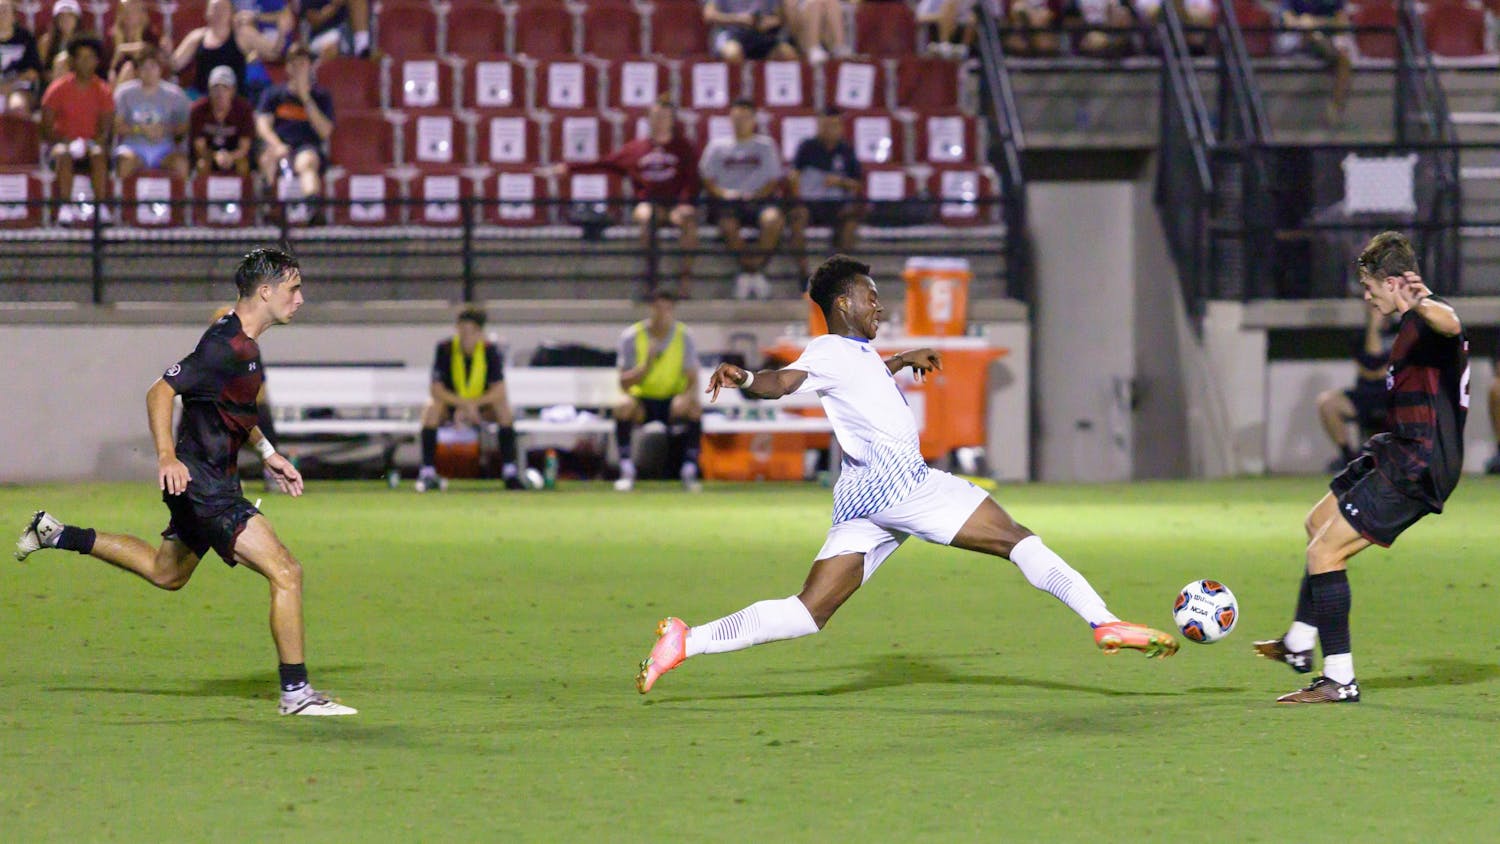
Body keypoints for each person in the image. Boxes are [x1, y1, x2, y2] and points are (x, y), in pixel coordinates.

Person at [635, 254, 1178, 694]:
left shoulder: (856, 353)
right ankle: (1102, 620)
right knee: (1016, 539)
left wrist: (899, 360)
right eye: (872, 297)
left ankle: (687, 640)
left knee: (807, 612)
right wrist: (748, 375)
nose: (881, 306)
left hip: (859, 497)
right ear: (843, 302)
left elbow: (859, 377)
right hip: (902, 485)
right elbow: (784, 381)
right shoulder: (828, 349)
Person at [15, 247, 356, 717]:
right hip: (204, 487)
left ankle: (56, 533)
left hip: (207, 484)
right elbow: (160, 390)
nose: (300, 298)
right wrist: (165, 456)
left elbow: (230, 410)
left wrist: (268, 452)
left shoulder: (244, 347)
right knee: (286, 572)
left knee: (166, 572)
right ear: (266, 291)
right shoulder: (225, 346)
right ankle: (296, 694)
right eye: (294, 288)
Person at [1254, 232, 1469, 704]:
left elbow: (1451, 322)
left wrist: (1421, 302)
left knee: (1325, 554)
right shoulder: (1409, 323)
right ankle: (1297, 643)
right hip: (1396, 447)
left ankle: (1339, 679)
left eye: (1371, 288)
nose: (1368, 298)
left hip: (1419, 463)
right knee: (1316, 523)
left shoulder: (1427, 319)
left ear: (1394, 282)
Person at [541, 97, 701, 298]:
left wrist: (684, 204)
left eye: (664, 117)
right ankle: (651, 281)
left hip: (677, 205)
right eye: (655, 117)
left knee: (689, 223)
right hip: (649, 203)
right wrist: (569, 168)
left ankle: (684, 283)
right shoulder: (635, 149)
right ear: (649, 120)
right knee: (646, 217)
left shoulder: (684, 147)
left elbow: (692, 180)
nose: (659, 121)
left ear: (672, 121)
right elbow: (604, 163)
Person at [415, 306, 525, 493]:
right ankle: (427, 472)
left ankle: (510, 471)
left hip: (481, 406)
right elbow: (436, 390)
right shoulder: (445, 349)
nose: (466, 336)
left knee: (504, 408)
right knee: (432, 408)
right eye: (462, 330)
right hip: (452, 405)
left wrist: (474, 405)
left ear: (480, 333)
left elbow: (499, 391)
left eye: (471, 331)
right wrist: (463, 405)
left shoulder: (490, 351)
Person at [614, 290, 704, 493]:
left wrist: (686, 396)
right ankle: (626, 469)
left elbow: (692, 376)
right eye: (658, 308)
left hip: (671, 401)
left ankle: (689, 469)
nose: (663, 314)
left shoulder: (683, 336)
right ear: (651, 309)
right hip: (643, 400)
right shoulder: (632, 336)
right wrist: (646, 364)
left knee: (694, 408)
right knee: (622, 407)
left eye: (668, 309)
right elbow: (623, 382)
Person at [699, 97, 785, 300]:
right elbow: (707, 179)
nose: (740, 122)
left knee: (773, 220)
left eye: (745, 117)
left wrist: (756, 195)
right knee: (728, 225)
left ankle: (750, 272)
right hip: (727, 202)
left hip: (759, 200)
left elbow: (773, 180)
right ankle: (753, 272)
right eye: (736, 117)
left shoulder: (766, 146)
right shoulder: (717, 146)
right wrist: (724, 194)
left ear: (754, 119)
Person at [39, 34, 112, 225]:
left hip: (90, 145)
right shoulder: (58, 89)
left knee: (98, 154)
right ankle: (65, 207)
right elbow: (46, 129)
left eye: (90, 57)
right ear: (72, 61)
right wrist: (66, 143)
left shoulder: (103, 90)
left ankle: (100, 207)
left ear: (97, 61)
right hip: (61, 146)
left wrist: (89, 144)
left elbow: (104, 131)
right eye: (80, 57)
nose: (85, 62)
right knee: (63, 154)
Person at [254, 43, 332, 216]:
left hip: (306, 146)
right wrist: (277, 145)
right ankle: (267, 204)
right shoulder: (273, 94)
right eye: (295, 63)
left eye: (303, 64)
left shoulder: (321, 96)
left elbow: (325, 131)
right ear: (288, 67)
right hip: (279, 145)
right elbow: (262, 125)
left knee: (307, 162)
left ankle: (312, 209)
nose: (299, 68)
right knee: (268, 157)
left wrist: (306, 99)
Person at [788, 107, 864, 284]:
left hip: (836, 205)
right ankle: (804, 273)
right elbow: (794, 176)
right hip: (810, 203)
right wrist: (800, 196)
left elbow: (857, 184)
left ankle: (837, 275)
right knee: (797, 216)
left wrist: (839, 182)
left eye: (834, 125)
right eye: (825, 125)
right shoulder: (807, 147)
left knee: (851, 220)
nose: (829, 129)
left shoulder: (846, 150)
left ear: (841, 128)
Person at [1315, 304, 1392, 472]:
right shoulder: (1360, 338)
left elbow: (1382, 371)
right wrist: (1373, 328)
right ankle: (1348, 457)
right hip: (1364, 396)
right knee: (1327, 403)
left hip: (1393, 398)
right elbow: (1372, 366)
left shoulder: (1401, 334)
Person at [172, 0, 283, 100]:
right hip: (203, 98)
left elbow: (274, 53)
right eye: (215, 8)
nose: (219, 13)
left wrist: (282, 33)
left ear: (231, 13)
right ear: (207, 13)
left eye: (223, 9)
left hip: (233, 100)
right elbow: (174, 64)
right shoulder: (197, 37)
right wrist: (165, 51)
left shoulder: (243, 35)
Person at [112, 45, 191, 180]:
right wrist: (139, 129)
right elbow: (117, 125)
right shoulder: (124, 93)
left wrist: (165, 130)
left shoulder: (175, 94)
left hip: (165, 148)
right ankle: (120, 199)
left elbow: (184, 126)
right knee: (125, 163)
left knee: (181, 164)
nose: (149, 72)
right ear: (137, 71)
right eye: (144, 67)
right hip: (133, 146)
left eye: (153, 67)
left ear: (160, 69)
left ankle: (182, 200)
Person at [1274, 0, 1352, 121]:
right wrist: (1305, 23)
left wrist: (1316, 22)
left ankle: (1336, 107)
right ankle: (1323, 46)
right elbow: (1289, 22)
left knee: (1343, 59)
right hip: (1295, 40)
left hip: (1326, 39)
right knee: (1309, 31)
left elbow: (1342, 22)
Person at [189, 64, 253, 176]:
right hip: (209, 155)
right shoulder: (198, 110)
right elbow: (199, 146)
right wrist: (215, 156)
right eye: (216, 89)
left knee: (243, 165)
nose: (220, 94)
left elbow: (244, 147)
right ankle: (202, 192)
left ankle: (243, 192)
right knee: (202, 164)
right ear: (209, 90)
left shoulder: (244, 110)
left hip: (235, 154)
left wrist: (230, 157)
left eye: (225, 88)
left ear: (233, 91)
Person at [703, 0, 798, 62]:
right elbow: (709, 15)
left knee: (787, 54)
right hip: (731, 34)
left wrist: (768, 22)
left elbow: (781, 18)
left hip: (764, 36)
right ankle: (737, 92)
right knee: (732, 53)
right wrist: (739, 20)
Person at [106, 0, 172, 87]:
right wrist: (112, 71)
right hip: (119, 77)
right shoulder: (113, 35)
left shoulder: (149, 33)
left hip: (144, 75)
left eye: (134, 10)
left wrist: (123, 49)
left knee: (129, 68)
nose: (128, 15)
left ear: (142, 14)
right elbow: (109, 63)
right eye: (125, 11)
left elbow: (150, 51)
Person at [0, 0, 43, 114]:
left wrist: (8, 85)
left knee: (17, 108)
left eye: (4, 11)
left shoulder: (25, 38)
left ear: (13, 16)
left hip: (17, 88)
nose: (1, 15)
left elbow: (33, 72)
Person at [301, 0, 371, 59]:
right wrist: (333, 6)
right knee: (332, 48)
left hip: (347, 32)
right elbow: (313, 21)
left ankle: (362, 49)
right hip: (322, 35)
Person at [36, 0, 81, 83]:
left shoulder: (83, 42)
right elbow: (40, 69)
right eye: (62, 16)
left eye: (70, 16)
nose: (66, 20)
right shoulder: (47, 42)